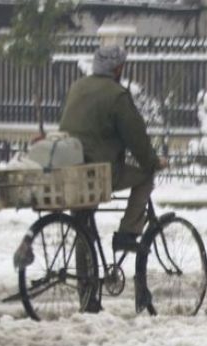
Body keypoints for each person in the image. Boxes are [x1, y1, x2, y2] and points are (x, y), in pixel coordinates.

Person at [59, 45, 166, 250]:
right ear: (117, 69)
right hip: (101, 171)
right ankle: (128, 232)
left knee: (83, 223)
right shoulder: (117, 95)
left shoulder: (77, 86)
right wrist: (152, 161)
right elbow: (136, 137)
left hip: (71, 168)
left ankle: (85, 280)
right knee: (145, 176)